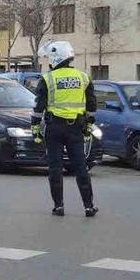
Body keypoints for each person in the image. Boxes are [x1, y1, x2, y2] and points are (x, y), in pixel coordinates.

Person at [32, 41, 98, 217]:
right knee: (80, 167)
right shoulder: (83, 77)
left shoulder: (47, 79)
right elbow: (92, 105)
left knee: (55, 167)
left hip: (54, 128)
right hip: (76, 128)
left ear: (55, 58)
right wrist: (89, 125)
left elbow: (38, 107)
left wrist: (36, 129)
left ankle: (59, 206)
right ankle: (88, 206)